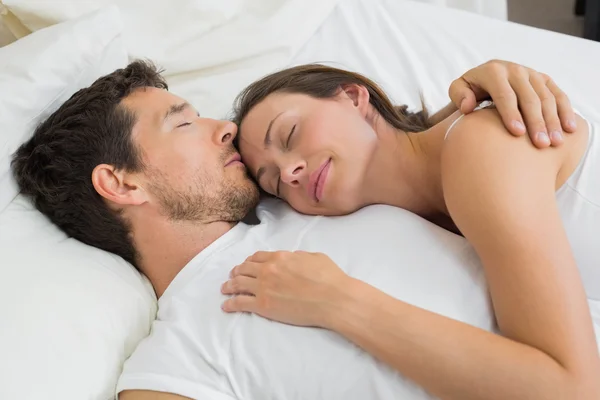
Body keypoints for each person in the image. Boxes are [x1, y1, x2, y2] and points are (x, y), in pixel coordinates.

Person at [10, 59, 581, 400]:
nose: (224, 131)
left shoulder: (317, 195)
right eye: (183, 121)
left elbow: (405, 146)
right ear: (121, 183)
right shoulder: (179, 349)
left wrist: (486, 92)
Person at [224, 61, 600, 399]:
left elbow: (571, 390)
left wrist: (336, 301)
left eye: (289, 134)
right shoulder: (443, 193)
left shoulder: (479, 148)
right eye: (274, 183)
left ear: (353, 97)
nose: (289, 173)